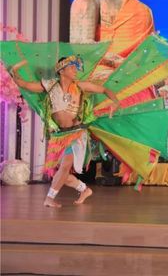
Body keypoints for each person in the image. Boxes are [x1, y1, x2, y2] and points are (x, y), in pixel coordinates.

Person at [10, 56, 120, 208]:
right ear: (61, 70)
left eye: (76, 68)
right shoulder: (50, 85)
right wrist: (14, 72)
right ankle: (84, 189)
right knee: (61, 174)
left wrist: (115, 102)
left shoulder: (80, 86)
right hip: (59, 136)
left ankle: (49, 198)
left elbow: (104, 90)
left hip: (76, 133)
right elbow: (25, 85)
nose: (76, 71)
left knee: (64, 168)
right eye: (72, 67)